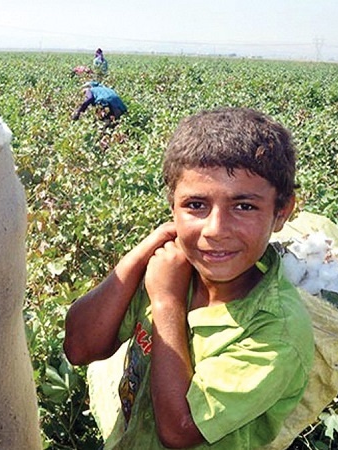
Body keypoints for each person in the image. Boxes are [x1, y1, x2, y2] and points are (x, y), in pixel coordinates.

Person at [64, 107, 315, 449]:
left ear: (281, 212)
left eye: (244, 206)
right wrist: (142, 252)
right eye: (196, 205)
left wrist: (166, 302)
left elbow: (180, 430)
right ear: (172, 207)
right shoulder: (171, 268)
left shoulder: (276, 329)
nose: (215, 230)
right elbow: (79, 347)